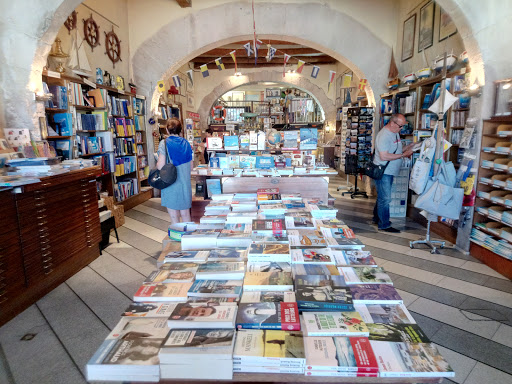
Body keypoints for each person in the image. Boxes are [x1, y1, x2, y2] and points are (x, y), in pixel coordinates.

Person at [372, 114, 414, 233]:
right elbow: (384, 156)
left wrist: (409, 147)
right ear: (392, 123)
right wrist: (403, 155)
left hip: (389, 171)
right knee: (385, 198)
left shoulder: (395, 132)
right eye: (400, 126)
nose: (402, 128)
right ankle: (384, 224)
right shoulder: (384, 136)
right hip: (383, 171)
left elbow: (396, 150)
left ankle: (376, 218)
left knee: (382, 196)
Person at [156, 118, 193, 224]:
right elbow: (191, 167)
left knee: (174, 217)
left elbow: (160, 166)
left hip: (170, 184)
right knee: (186, 215)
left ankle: (177, 239)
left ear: (167, 130)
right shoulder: (186, 143)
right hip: (185, 185)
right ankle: (187, 238)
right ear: (180, 130)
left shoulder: (164, 143)